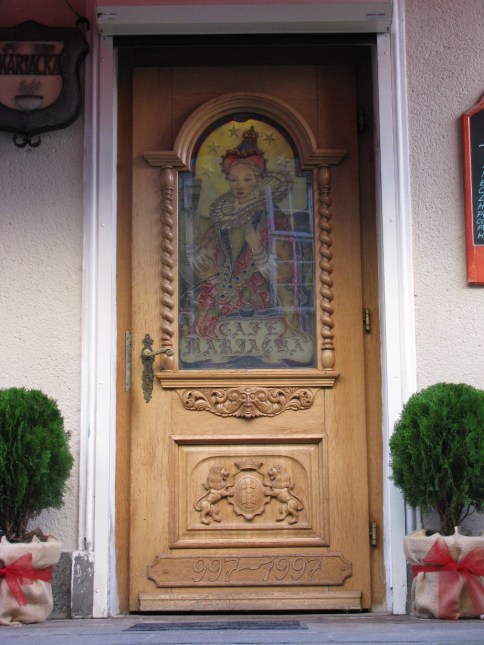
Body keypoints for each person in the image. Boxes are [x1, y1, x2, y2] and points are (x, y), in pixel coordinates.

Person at [180, 125, 311, 366]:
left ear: (258, 181)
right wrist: (203, 257)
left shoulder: (273, 219)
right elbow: (206, 267)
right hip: (220, 298)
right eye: (233, 180)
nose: (239, 186)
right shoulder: (221, 221)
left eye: (247, 179)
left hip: (261, 300)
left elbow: (286, 272)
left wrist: (257, 249)